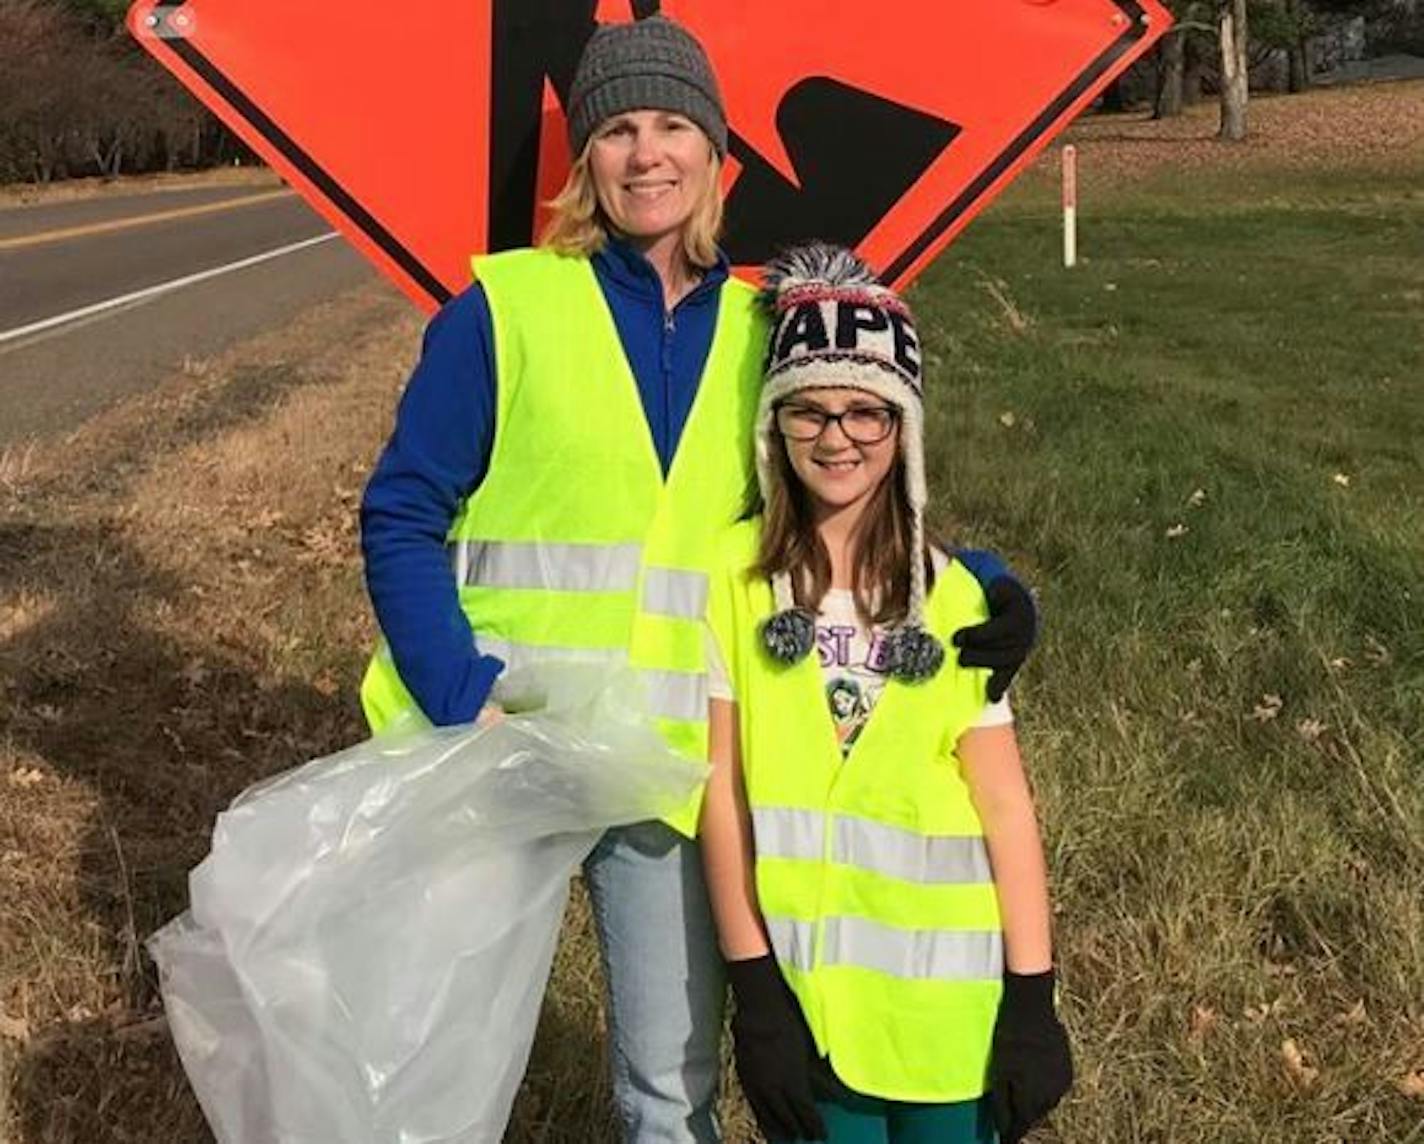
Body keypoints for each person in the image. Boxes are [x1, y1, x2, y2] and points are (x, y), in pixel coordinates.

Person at [358, 16, 1038, 1143]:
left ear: (716, 153)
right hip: (496, 744)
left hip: (670, 765)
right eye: (617, 130)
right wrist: (455, 686)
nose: (647, 154)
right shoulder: (503, 310)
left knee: (669, 1084)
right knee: (425, 1065)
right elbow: (401, 511)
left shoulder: (759, 327)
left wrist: (979, 578)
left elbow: (843, 483)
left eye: (673, 125)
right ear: (586, 160)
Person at [700, 244, 1073, 1144]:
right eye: (810, 412)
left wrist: (1032, 999)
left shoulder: (956, 600)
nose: (838, 438)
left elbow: (1004, 804)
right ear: (773, 426)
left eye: (868, 411)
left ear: (903, 427)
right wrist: (756, 998)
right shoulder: (733, 583)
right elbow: (722, 793)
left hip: (951, 1020)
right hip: (812, 1012)